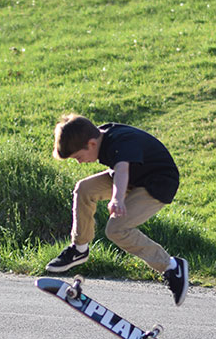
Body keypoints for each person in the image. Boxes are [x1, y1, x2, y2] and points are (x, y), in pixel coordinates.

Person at [46, 114, 189, 306]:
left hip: (158, 183)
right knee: (84, 189)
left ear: (91, 144)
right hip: (134, 177)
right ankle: (79, 249)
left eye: (78, 157)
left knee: (116, 229)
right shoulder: (98, 134)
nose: (80, 162)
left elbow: (122, 169)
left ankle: (171, 266)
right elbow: (121, 170)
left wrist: (117, 198)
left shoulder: (119, 141)